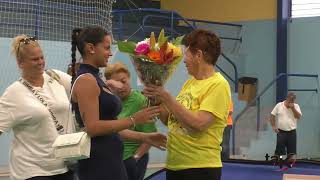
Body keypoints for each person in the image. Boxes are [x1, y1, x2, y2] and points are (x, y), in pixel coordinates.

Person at [70, 26, 166, 180]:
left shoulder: (96, 79)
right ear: (91, 48)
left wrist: (144, 137)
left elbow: (111, 127)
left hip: (112, 161)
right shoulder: (86, 80)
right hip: (98, 165)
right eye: (107, 48)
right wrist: (134, 119)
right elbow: (93, 128)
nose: (110, 53)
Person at [143, 29, 231, 180]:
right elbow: (171, 120)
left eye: (187, 54)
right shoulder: (190, 83)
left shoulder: (218, 85)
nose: (184, 60)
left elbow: (198, 124)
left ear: (198, 55)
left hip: (200, 168)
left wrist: (167, 97)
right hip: (175, 165)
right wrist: (158, 100)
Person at [0, 35, 74, 180]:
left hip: (64, 166)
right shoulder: (13, 93)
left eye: (41, 57)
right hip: (31, 171)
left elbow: (83, 89)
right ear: (20, 63)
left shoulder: (56, 77)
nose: (40, 62)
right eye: (35, 59)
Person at [105, 62, 157, 180]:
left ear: (129, 78)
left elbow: (150, 137)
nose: (121, 86)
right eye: (116, 83)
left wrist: (135, 158)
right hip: (113, 160)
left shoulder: (141, 101)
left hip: (131, 161)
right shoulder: (110, 102)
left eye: (123, 81)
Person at [270, 92, 302, 164]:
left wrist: (293, 108)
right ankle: (278, 161)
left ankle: (289, 164)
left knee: (292, 154)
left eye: (293, 100)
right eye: (290, 100)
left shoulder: (296, 106)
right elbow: (272, 115)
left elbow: (298, 117)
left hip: (292, 132)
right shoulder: (279, 105)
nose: (291, 102)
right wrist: (273, 126)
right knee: (279, 151)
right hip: (281, 131)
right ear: (287, 98)